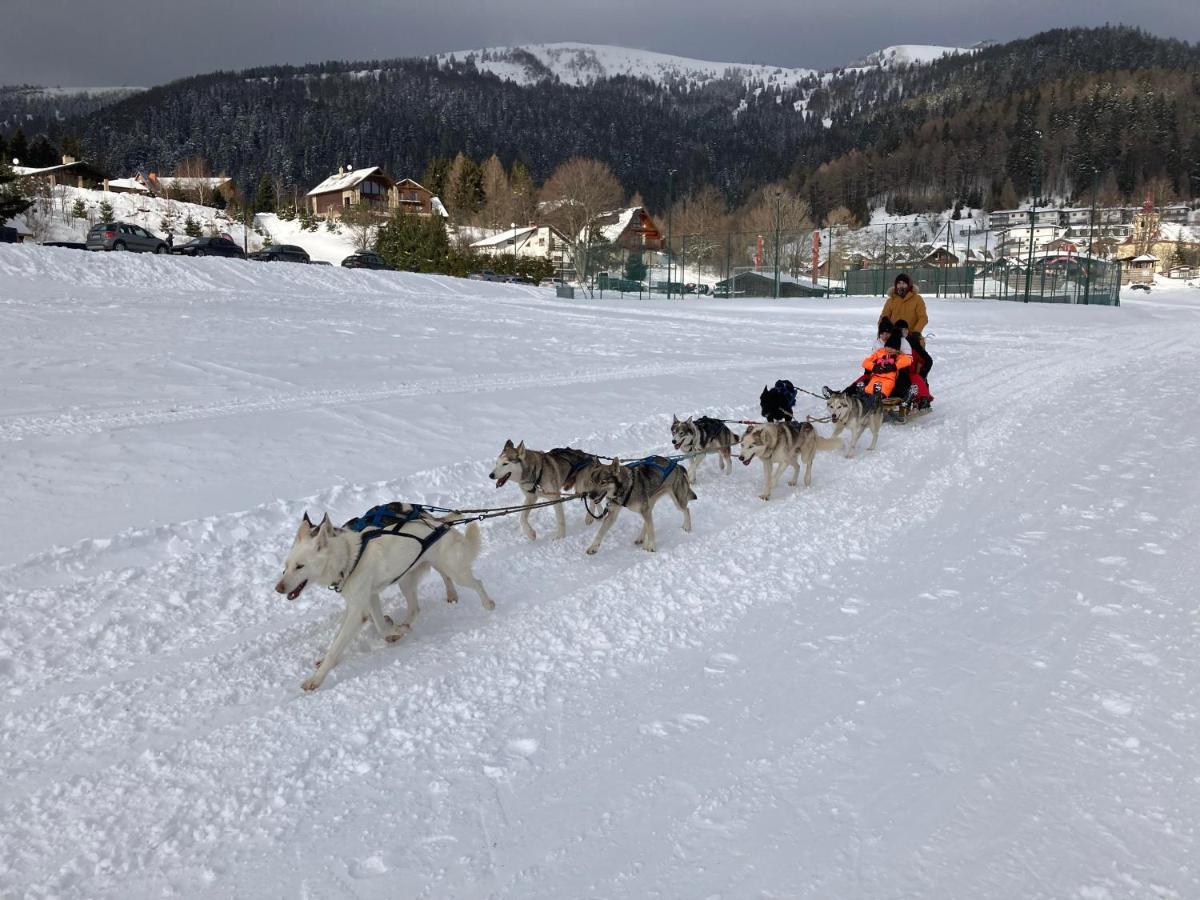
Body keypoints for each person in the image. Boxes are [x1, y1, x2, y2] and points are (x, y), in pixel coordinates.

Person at [880, 273, 932, 376]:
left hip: (912, 337)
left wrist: (916, 332)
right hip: (894, 339)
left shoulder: (917, 299)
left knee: (921, 364)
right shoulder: (891, 301)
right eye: (898, 283)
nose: (901, 285)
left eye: (904, 283)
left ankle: (920, 386)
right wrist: (884, 332)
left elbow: (923, 317)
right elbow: (883, 318)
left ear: (909, 285)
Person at [860, 332, 912, 398]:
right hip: (876, 376)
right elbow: (865, 362)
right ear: (885, 346)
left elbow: (908, 360)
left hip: (889, 379)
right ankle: (864, 396)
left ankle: (879, 397)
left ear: (897, 350)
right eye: (888, 347)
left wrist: (894, 366)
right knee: (869, 389)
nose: (890, 349)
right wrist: (874, 367)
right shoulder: (880, 353)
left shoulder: (898, 356)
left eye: (893, 348)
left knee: (885, 389)